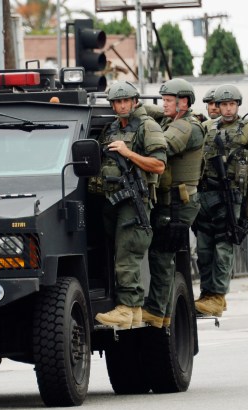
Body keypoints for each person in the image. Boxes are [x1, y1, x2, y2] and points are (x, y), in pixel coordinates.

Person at [93, 81, 167, 329]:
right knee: (119, 253)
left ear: (135, 101)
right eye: (117, 101)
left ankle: (126, 308)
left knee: (128, 255)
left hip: (134, 201)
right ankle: (132, 311)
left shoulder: (148, 126)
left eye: (126, 100)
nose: (122, 105)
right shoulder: (112, 128)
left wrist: (128, 153)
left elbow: (158, 165)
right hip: (114, 200)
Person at [194, 84, 248, 316]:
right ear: (216, 106)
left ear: (237, 106)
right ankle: (207, 295)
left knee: (223, 245)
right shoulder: (207, 128)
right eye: (224, 105)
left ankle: (218, 296)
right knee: (204, 249)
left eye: (232, 104)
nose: (228, 109)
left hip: (231, 196)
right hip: (206, 195)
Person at [143, 78, 204, 328]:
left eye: (169, 100)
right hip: (172, 201)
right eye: (164, 99)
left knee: (161, 255)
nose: (164, 104)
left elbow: (162, 146)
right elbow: (153, 111)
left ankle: (157, 312)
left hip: (178, 204)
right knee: (161, 255)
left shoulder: (185, 127)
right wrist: (131, 104)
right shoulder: (174, 119)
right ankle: (163, 313)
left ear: (184, 103)